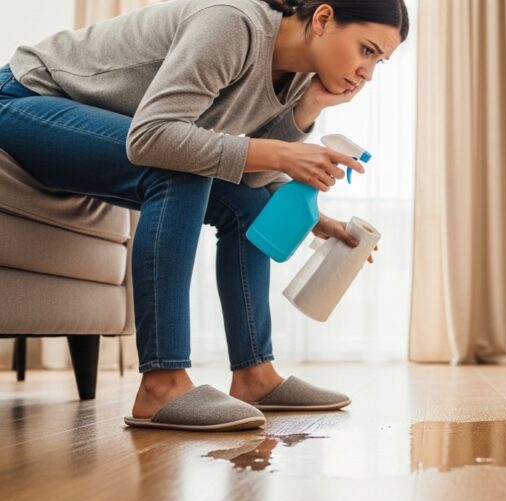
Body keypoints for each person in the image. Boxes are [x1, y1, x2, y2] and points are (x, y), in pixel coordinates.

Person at [0, 0, 408, 431]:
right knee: (182, 171)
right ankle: (162, 384)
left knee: (246, 209)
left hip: (99, 129)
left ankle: (255, 376)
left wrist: (308, 111)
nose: (367, 74)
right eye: (366, 50)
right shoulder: (234, 24)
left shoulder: (299, 77)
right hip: (24, 100)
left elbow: (250, 180)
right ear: (323, 19)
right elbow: (154, 138)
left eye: (379, 62)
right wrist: (284, 153)